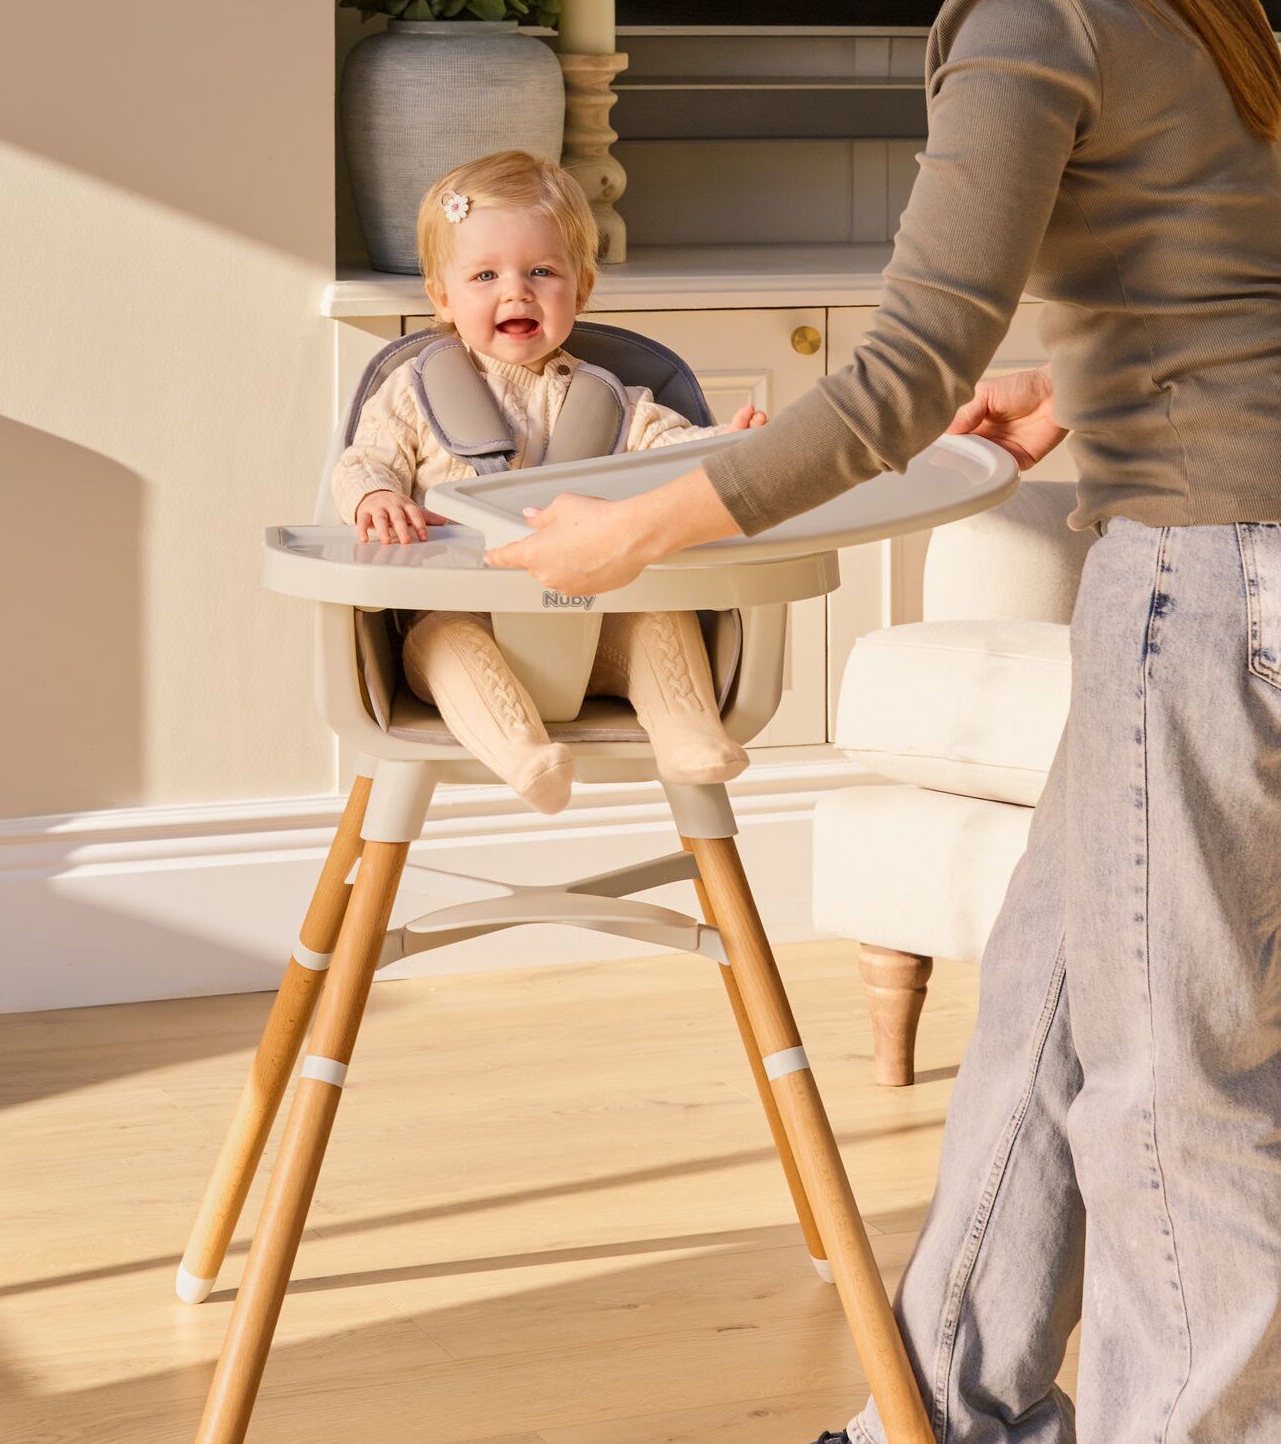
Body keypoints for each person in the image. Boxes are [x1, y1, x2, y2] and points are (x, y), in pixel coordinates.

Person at [486, 1, 1281, 1440]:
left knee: (1170, 1090)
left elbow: (907, 362)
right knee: (1045, 1017)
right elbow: (1229, 272)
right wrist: (1084, 382)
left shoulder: (1035, 16)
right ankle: (934, 1419)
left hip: (1207, 584)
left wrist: (642, 527)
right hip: (1238, 557)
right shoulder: (1202, 13)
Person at [331, 150, 767, 814]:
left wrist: (733, 444)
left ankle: (688, 735)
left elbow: (674, 456)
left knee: (658, 619)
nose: (515, 291)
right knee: (445, 643)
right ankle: (523, 755)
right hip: (455, 617)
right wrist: (376, 496)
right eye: (484, 274)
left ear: (580, 289)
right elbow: (363, 460)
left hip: (594, 632)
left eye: (541, 271)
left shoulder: (618, 401)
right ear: (441, 298)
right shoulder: (412, 392)